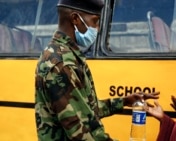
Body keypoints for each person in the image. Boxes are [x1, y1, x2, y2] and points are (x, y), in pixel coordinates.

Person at [34, 0, 160, 140]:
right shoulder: (62, 64)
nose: (98, 28)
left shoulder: (64, 54)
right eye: (95, 21)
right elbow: (82, 132)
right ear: (75, 19)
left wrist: (124, 101)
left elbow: (87, 110)